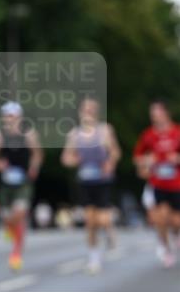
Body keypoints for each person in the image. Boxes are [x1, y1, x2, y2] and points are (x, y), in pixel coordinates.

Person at [61, 98, 121, 273]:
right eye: (86, 109)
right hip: (85, 181)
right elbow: (65, 158)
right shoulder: (74, 134)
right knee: (90, 222)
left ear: (97, 112)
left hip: (102, 180)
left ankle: (109, 231)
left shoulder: (105, 130)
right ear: (80, 112)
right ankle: (94, 258)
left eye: (92, 109)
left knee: (101, 219)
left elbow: (116, 152)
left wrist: (110, 163)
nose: (89, 112)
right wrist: (74, 160)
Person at [0, 101, 43, 269]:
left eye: (13, 116)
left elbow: (37, 155)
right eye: (7, 116)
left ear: (20, 117)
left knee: (20, 215)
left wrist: (34, 167)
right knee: (8, 218)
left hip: (23, 182)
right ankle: (9, 228)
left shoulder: (29, 135)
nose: (10, 119)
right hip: (6, 184)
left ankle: (16, 254)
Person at [133, 100, 180, 268]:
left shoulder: (177, 132)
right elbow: (137, 157)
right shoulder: (148, 135)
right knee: (160, 219)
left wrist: (177, 159)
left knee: (175, 222)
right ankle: (166, 249)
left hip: (176, 184)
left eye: (157, 113)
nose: (154, 117)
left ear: (166, 113)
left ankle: (176, 235)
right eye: (152, 114)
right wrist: (146, 161)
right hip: (158, 183)